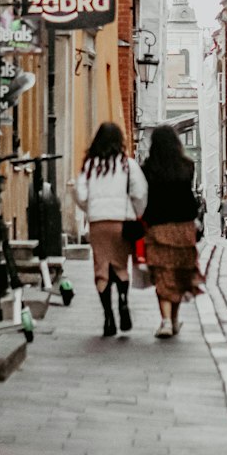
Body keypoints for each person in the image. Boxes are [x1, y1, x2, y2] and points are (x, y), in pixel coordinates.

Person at [75, 122, 147, 338]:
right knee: (120, 265)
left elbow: (80, 193)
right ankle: (123, 302)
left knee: (101, 268)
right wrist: (136, 212)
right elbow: (140, 192)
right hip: (121, 222)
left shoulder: (90, 165)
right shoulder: (128, 164)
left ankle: (108, 318)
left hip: (98, 222)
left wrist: (90, 209)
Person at [143, 125, 204, 338]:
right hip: (184, 227)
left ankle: (167, 320)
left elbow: (145, 198)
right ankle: (174, 319)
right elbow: (189, 195)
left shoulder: (149, 167)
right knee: (179, 275)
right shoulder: (187, 166)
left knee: (162, 274)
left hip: (158, 226)